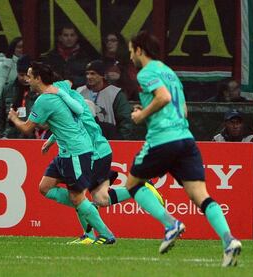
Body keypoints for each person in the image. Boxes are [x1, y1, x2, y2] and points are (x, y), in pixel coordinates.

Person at [126, 30, 241, 267]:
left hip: (162, 139)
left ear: (139, 50)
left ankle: (171, 224)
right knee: (201, 195)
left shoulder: (147, 72)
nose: (130, 57)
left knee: (132, 184)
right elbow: (184, 109)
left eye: (130, 51)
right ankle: (229, 240)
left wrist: (141, 116)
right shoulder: (170, 72)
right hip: (186, 139)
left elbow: (163, 97)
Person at [44, 79, 164, 244]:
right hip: (86, 153)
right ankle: (90, 228)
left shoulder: (76, 111)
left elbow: (68, 124)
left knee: (86, 196)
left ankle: (91, 234)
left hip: (94, 154)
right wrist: (51, 140)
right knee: (92, 197)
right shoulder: (74, 106)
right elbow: (64, 122)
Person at [8, 62, 115, 244]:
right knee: (45, 187)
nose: (27, 79)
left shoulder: (44, 100)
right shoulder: (58, 88)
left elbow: (27, 128)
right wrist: (51, 141)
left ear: (38, 78)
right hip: (66, 151)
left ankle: (106, 234)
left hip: (76, 151)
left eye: (30, 76)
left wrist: (14, 118)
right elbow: (68, 85)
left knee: (76, 196)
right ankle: (85, 207)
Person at [77, 60, 133, 140]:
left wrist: (120, 140)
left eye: (93, 73)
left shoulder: (116, 94)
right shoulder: (79, 92)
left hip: (110, 138)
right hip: (84, 140)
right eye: (87, 73)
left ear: (102, 75)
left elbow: (125, 120)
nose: (89, 77)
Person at [0, 55, 39, 139]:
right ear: (17, 73)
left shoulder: (39, 90)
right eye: (21, 75)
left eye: (28, 76)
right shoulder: (7, 89)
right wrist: (1, 134)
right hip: (9, 137)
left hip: (33, 138)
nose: (25, 78)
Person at [102, 32, 139, 101]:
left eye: (113, 41)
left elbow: (134, 82)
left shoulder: (128, 62)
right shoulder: (103, 62)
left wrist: (121, 77)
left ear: (120, 43)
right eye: (107, 41)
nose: (109, 43)